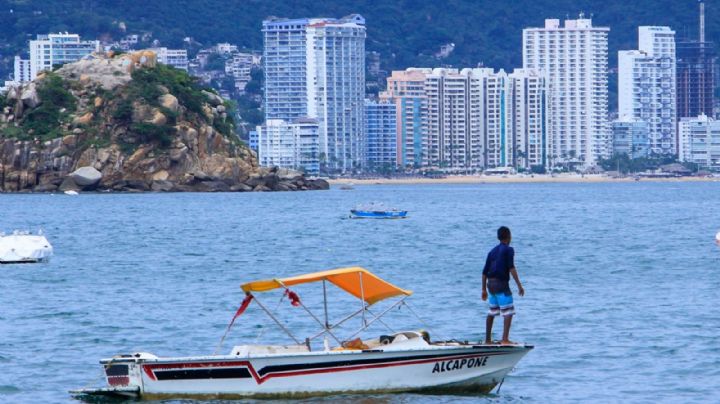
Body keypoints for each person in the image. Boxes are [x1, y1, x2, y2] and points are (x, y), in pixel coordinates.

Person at [482, 226, 525, 345]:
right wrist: (519, 285)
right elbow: (511, 267)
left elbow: (484, 272)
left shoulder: (491, 252)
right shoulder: (509, 250)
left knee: (492, 311)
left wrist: (483, 289)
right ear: (509, 236)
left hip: (490, 284)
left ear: (498, 237)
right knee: (508, 311)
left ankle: (487, 340)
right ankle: (505, 339)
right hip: (501, 284)